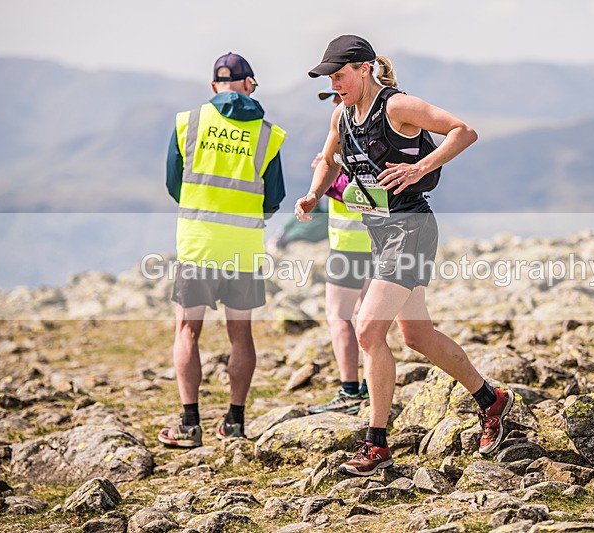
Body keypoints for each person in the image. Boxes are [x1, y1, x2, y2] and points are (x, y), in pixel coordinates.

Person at [295, 35, 514, 475]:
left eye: (339, 76)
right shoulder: (342, 114)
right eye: (329, 78)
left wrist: (420, 167)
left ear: (364, 69)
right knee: (417, 336)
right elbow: (330, 159)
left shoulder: (397, 106)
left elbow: (464, 131)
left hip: (411, 228)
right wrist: (314, 193)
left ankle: (376, 443)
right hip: (381, 232)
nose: (334, 85)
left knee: (367, 329)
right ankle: (492, 399)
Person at [159, 52, 286, 448]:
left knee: (187, 330)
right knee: (240, 334)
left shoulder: (188, 122)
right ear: (249, 84)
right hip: (243, 246)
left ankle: (189, 424)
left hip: (197, 244)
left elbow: (174, 183)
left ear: (214, 86)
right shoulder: (267, 134)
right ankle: (234, 421)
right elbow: (274, 197)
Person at [307, 87, 374, 415]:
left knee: (339, 316)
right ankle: (370, 387)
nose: (335, 101)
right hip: (376, 242)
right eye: (331, 96)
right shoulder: (377, 128)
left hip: (350, 244)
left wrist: (325, 178)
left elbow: (361, 190)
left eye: (338, 93)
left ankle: (350, 390)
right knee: (368, 318)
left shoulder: (353, 134)